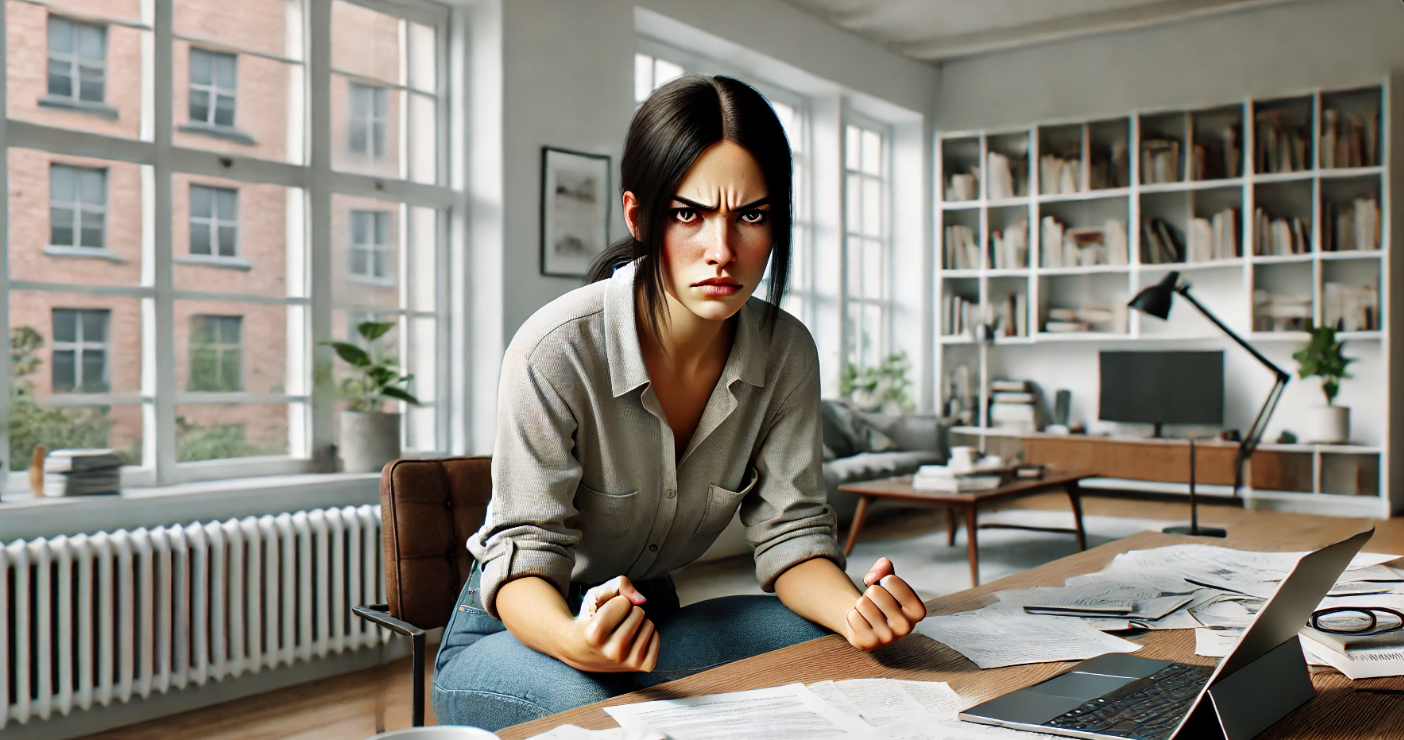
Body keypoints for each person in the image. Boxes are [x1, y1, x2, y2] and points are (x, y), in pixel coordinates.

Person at [433, 74, 928, 732]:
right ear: (641, 217)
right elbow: (527, 555)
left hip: (651, 628)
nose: (722, 251)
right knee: (612, 718)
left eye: (751, 215)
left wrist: (857, 613)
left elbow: (795, 536)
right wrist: (578, 641)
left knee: (859, 653)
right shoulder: (554, 352)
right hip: (518, 635)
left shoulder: (785, 352)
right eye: (689, 214)